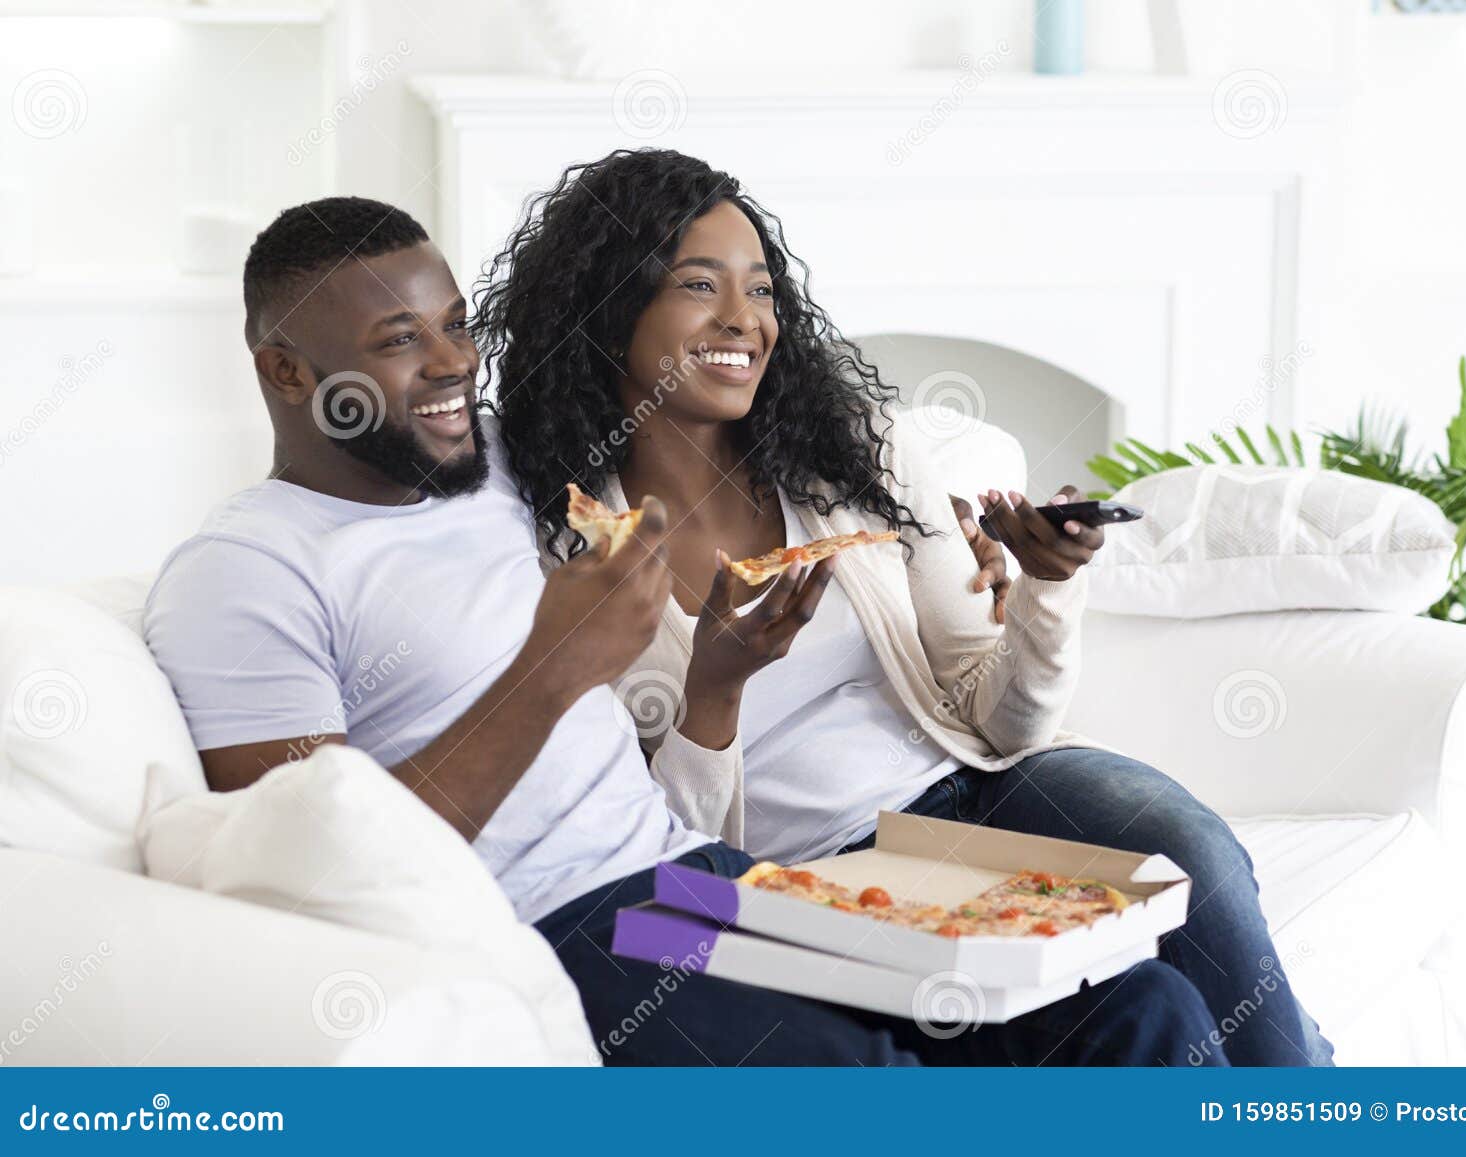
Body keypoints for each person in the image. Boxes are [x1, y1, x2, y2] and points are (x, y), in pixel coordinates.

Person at [143, 195, 1224, 1067]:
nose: (450, 365)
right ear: (285, 371)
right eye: (398, 340)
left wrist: (946, 547)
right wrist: (552, 667)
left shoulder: (504, 468)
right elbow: (309, 861)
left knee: (1140, 1011)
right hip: (564, 923)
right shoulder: (245, 571)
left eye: (456, 325)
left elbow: (664, 395)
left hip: (697, 879)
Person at [476, 150, 1332, 1066]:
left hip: (979, 786)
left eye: (762, 290)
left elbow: (996, 716)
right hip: (802, 866)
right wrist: (713, 692)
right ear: (611, 309)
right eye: (699, 284)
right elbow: (659, 856)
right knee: (1130, 1004)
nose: (744, 320)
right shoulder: (561, 546)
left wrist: (1046, 586)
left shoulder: (850, 449)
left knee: (1186, 852)